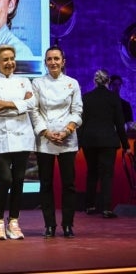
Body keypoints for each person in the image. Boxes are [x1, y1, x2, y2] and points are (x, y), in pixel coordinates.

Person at [0, 44, 38, 240]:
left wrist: (7, 103)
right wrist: (20, 105)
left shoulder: (25, 81)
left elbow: (32, 104)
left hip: (23, 137)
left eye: (11, 59)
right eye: (5, 59)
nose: (9, 63)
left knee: (18, 181)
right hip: (1, 139)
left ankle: (13, 221)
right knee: (5, 179)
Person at [31, 46, 82, 238]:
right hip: (45, 139)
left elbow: (77, 111)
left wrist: (68, 130)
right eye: (49, 59)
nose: (53, 62)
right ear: (45, 62)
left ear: (63, 61)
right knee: (46, 184)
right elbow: (34, 111)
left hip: (67, 139)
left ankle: (68, 224)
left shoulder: (72, 83)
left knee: (69, 184)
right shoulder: (37, 83)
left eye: (56, 59)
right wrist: (45, 131)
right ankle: (49, 225)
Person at [79, 69, 130, 218]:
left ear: (95, 81)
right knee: (106, 174)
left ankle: (89, 205)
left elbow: (82, 122)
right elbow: (120, 124)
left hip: (89, 141)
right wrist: (126, 145)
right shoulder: (113, 98)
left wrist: (79, 142)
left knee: (92, 172)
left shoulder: (86, 98)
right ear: (108, 82)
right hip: (108, 140)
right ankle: (106, 208)